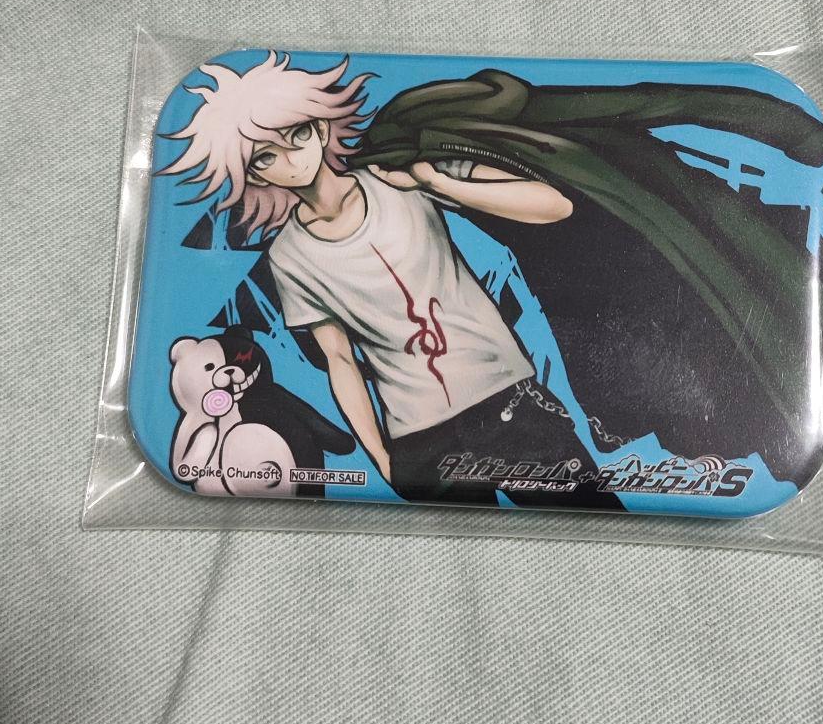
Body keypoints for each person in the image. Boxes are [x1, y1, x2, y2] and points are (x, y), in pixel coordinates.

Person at [161, 52, 624, 510]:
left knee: (593, 518)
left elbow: (553, 205)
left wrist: (437, 182)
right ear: (252, 173)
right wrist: (382, 458)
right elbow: (339, 359)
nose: (291, 159)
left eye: (298, 134)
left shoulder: (395, 172)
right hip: (419, 439)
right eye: (266, 156)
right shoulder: (287, 256)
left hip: (508, 402)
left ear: (320, 128)